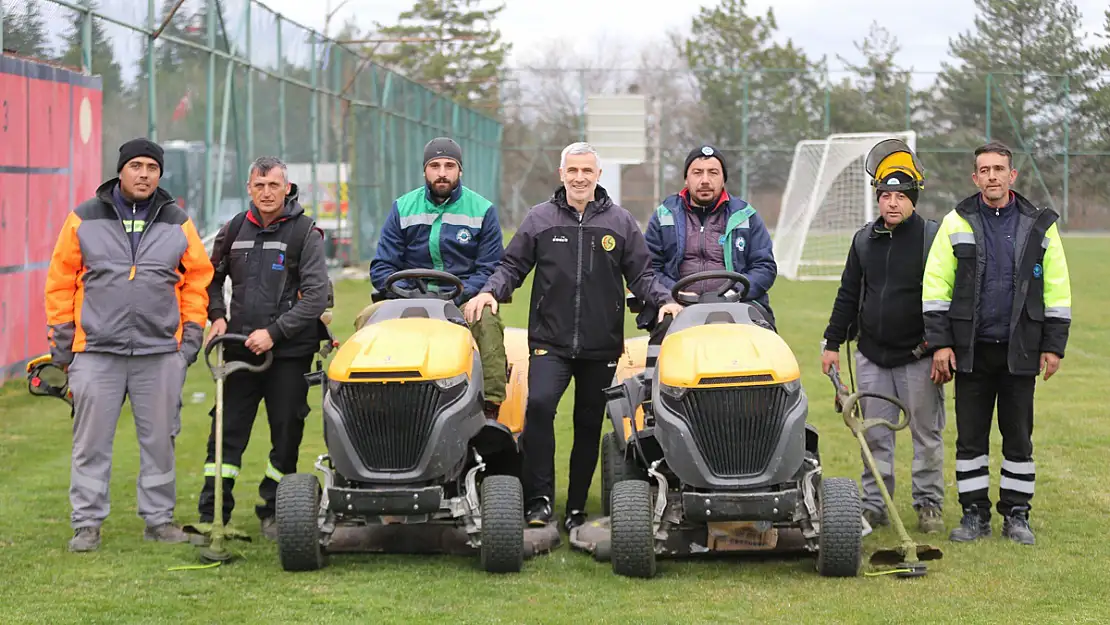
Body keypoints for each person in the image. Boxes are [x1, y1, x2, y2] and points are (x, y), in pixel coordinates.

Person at [464, 141, 681, 532]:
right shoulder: (539, 219)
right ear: (561, 174)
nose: (580, 178)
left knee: (587, 424)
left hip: (601, 344)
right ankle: (540, 500)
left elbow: (643, 275)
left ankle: (577, 506)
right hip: (550, 341)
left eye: (587, 171)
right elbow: (511, 266)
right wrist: (488, 292)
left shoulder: (620, 222)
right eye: (573, 171)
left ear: (598, 176)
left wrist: (664, 300)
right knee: (540, 408)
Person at [44, 137, 214, 552]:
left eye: (151, 168)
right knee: (90, 443)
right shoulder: (82, 218)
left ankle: (158, 520)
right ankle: (87, 524)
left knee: (160, 441)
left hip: (160, 354)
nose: (143, 174)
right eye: (135, 166)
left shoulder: (178, 221)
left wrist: (188, 342)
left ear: (160, 174)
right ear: (120, 171)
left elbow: (197, 281)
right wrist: (63, 348)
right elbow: (60, 282)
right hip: (96, 351)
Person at [923, 141, 1072, 546]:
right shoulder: (956, 222)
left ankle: (1017, 515)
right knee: (970, 438)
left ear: (1012, 176)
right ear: (975, 177)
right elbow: (936, 287)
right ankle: (973, 515)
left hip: (1020, 349)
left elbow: (1057, 288)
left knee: (1018, 437)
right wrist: (940, 343)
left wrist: (1053, 345)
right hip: (970, 350)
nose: (991, 176)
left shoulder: (1039, 224)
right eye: (984, 170)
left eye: (999, 169)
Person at [199, 156, 331, 539]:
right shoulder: (234, 229)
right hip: (238, 349)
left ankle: (273, 508)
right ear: (249, 188)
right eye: (259, 186)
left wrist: (274, 332)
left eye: (274, 185)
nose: (267, 192)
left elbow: (316, 298)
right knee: (225, 432)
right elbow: (210, 278)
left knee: (286, 433)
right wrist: (217, 315)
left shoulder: (306, 233)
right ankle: (212, 513)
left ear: (287, 188)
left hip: (287, 353)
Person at [820, 138, 946, 535]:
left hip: (919, 357)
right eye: (885, 196)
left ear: (914, 199)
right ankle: (875, 504)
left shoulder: (932, 238)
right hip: (872, 356)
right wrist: (830, 343)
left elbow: (948, 299)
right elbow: (847, 294)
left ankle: (928, 503)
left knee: (926, 436)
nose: (892, 203)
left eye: (900, 196)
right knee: (874, 436)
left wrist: (943, 346)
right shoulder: (863, 241)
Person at [361, 137, 507, 418]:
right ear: (424, 171)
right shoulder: (403, 208)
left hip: (461, 299)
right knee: (367, 319)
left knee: (486, 320)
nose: (442, 172)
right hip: (407, 298)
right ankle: (369, 402)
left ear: (460, 170)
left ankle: (490, 406)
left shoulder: (483, 210)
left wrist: (461, 293)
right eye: (435, 165)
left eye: (449, 165)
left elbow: (489, 267)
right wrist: (407, 293)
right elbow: (382, 267)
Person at [638, 145, 778, 415]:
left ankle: (769, 408)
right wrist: (670, 297)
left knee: (766, 340)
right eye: (697, 172)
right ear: (686, 178)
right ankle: (652, 403)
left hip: (738, 303)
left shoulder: (746, 216)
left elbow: (765, 266)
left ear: (723, 178)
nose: (705, 180)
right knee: (662, 327)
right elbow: (649, 268)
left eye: (713, 172)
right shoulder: (664, 215)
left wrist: (735, 292)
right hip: (681, 306)